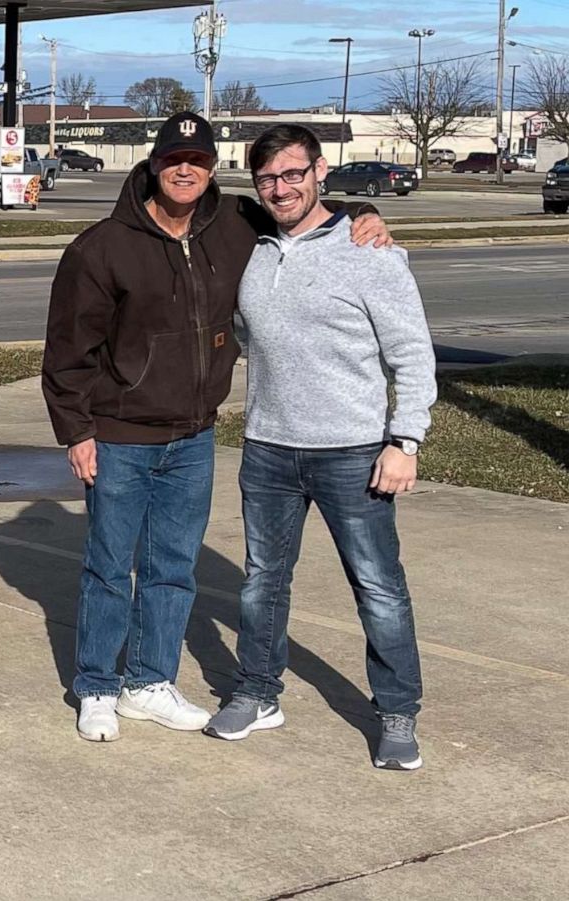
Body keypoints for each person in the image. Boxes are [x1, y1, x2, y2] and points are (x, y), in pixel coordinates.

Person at [41, 112, 391, 743]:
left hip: (195, 435)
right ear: (153, 165)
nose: (185, 170)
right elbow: (69, 350)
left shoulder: (233, 226)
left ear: (211, 169)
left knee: (174, 566)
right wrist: (76, 431)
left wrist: (363, 210)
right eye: (174, 159)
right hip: (120, 435)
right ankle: (96, 685)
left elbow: (302, 207)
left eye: (198, 161)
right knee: (109, 565)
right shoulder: (100, 248)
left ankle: (149, 682)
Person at [203, 125, 434, 771]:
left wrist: (404, 440)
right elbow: (249, 333)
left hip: (353, 452)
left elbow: (413, 355)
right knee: (262, 584)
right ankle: (256, 691)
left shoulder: (370, 254)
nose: (281, 187)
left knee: (379, 588)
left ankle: (397, 711)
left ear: (320, 171)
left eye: (293, 173)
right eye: (268, 177)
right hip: (269, 449)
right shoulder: (253, 248)